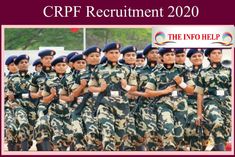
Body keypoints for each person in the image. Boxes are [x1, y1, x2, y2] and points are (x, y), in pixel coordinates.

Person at [88, 42, 137, 151]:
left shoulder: (127, 69)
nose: (114, 55)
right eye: (111, 52)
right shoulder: (98, 69)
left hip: (122, 105)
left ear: (119, 54)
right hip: (105, 103)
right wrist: (100, 89)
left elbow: (134, 88)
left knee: (119, 138)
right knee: (108, 132)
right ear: (105, 54)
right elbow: (91, 87)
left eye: (116, 52)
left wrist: (126, 87)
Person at [145, 48, 194, 151]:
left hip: (180, 104)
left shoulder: (183, 70)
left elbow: (191, 90)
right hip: (163, 104)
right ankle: (168, 149)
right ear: (162, 57)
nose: (170, 56)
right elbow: (148, 92)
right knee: (168, 129)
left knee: (178, 135)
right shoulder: (156, 72)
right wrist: (164, 91)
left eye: (172, 54)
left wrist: (181, 83)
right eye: (167, 55)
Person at [195, 48, 231, 151]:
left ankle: (215, 151)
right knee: (217, 122)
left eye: (219, 53)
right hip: (210, 101)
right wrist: (199, 114)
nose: (217, 55)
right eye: (214, 53)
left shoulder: (228, 71)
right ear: (209, 56)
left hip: (226, 102)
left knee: (224, 133)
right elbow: (200, 94)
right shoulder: (202, 72)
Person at [42, 56, 73, 151]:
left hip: (69, 111)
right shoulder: (49, 81)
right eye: (58, 65)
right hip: (55, 111)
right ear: (54, 67)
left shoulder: (72, 79)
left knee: (69, 137)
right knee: (58, 135)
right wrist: (52, 95)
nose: (61, 67)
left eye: (64, 65)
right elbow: (45, 100)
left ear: (67, 66)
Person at [7, 54, 36, 151]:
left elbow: (37, 92)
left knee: (31, 129)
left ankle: (22, 142)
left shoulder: (33, 77)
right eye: (21, 63)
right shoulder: (12, 78)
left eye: (26, 62)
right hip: (18, 104)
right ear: (17, 65)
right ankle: (21, 146)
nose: (24, 64)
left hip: (31, 105)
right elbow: (8, 93)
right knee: (23, 123)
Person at [29, 49, 56, 151]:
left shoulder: (58, 72)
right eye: (46, 58)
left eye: (50, 58)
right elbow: (32, 94)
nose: (49, 60)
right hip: (42, 104)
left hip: (58, 103)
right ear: (41, 60)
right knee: (43, 123)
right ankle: (44, 148)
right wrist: (37, 94)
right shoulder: (36, 76)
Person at [184, 48, 204, 151]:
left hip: (206, 103)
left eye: (199, 56)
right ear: (190, 59)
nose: (197, 58)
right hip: (190, 103)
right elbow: (186, 90)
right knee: (192, 128)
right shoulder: (186, 73)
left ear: (203, 57)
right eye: (194, 56)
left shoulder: (208, 72)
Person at [4, 55, 18, 151]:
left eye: (16, 64)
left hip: (23, 107)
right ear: (8, 67)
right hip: (8, 107)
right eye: (12, 65)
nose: (14, 66)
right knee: (10, 127)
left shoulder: (27, 78)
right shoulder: (4, 79)